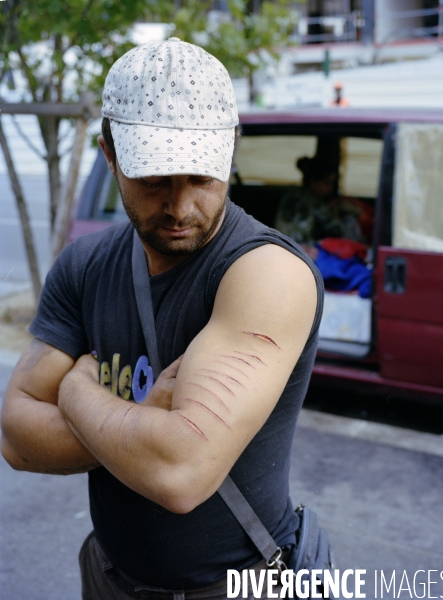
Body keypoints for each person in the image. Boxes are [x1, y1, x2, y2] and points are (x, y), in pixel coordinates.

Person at [0, 39, 324, 599]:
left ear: (230, 150)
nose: (179, 206)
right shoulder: (85, 265)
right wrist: (137, 430)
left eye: (201, 177)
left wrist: (79, 393)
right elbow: (16, 437)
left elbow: (180, 472)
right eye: (154, 179)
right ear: (110, 155)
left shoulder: (266, 274)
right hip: (109, 578)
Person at [274, 144, 373, 246]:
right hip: (298, 248)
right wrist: (335, 213)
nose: (330, 188)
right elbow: (338, 231)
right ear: (314, 182)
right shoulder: (311, 200)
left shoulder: (295, 194)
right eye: (327, 183)